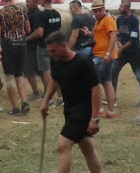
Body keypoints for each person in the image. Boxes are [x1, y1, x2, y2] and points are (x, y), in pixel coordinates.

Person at [40, 31, 102, 173]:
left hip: (83, 110)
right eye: (49, 51)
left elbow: (96, 89)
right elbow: (54, 80)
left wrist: (94, 118)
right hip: (69, 109)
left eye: (54, 51)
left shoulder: (83, 62)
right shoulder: (56, 61)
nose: (52, 54)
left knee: (63, 145)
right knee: (87, 147)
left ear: (64, 45)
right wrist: (45, 101)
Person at [0, 0, 31, 115]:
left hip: (8, 45)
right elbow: (28, 29)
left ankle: (15, 106)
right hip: (21, 43)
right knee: (20, 74)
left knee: (9, 76)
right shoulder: (22, 11)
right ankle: (25, 102)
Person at [81, 0, 117, 119]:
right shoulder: (98, 21)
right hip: (101, 55)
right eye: (95, 11)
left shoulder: (108, 20)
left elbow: (113, 37)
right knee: (106, 82)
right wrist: (89, 34)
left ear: (104, 9)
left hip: (103, 56)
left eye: (99, 10)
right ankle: (110, 111)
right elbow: (99, 37)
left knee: (94, 82)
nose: (97, 13)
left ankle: (99, 109)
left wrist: (107, 53)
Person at [26, 0, 62, 105]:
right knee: (56, 73)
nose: (39, 0)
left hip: (44, 47)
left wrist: (25, 39)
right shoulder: (57, 13)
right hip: (57, 46)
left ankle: (49, 98)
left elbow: (39, 33)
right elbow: (59, 31)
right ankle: (61, 98)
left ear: (45, 0)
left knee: (46, 73)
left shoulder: (42, 15)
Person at [111, 1, 140, 102]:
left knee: (139, 75)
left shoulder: (134, 20)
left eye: (121, 7)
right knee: (113, 71)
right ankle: (112, 97)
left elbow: (133, 39)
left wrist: (121, 48)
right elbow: (117, 34)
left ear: (127, 8)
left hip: (134, 53)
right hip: (123, 53)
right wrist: (118, 43)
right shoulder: (119, 19)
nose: (119, 8)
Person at [24, 0, 43, 100]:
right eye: (26, 1)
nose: (27, 3)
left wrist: (25, 40)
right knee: (38, 70)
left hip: (33, 46)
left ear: (36, 3)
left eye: (29, 1)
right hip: (33, 45)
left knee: (29, 69)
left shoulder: (36, 14)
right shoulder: (30, 13)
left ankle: (36, 93)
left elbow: (37, 33)